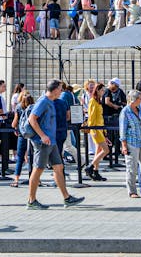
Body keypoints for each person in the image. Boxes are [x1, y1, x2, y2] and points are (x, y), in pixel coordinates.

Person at [26, 80, 84, 208]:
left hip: (51, 141)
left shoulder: (51, 102)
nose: (61, 91)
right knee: (38, 169)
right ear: (55, 89)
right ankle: (31, 200)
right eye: (60, 89)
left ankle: (67, 198)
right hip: (42, 142)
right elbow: (32, 119)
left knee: (59, 168)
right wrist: (42, 135)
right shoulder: (43, 101)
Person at [11, 90, 34, 187]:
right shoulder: (34, 107)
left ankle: (16, 179)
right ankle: (35, 179)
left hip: (22, 134)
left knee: (20, 157)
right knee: (33, 157)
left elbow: (14, 124)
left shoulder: (18, 107)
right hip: (33, 135)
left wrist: (16, 128)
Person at [86, 83, 108, 181]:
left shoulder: (98, 101)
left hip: (100, 128)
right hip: (96, 129)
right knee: (105, 150)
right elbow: (91, 116)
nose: (103, 92)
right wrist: (93, 129)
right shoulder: (93, 101)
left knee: (98, 151)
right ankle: (90, 167)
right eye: (102, 90)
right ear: (98, 90)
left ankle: (95, 171)